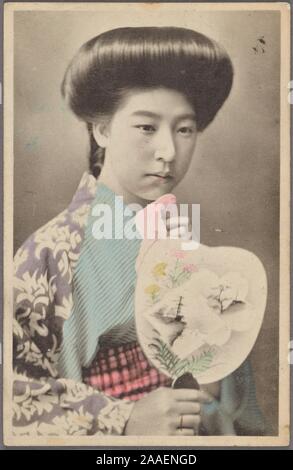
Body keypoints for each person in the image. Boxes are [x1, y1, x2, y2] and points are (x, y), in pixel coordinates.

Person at [13, 26, 269, 436]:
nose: (168, 151)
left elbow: (232, 397)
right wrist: (124, 419)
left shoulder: (182, 240)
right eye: (147, 127)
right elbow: (14, 395)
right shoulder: (51, 254)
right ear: (102, 129)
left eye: (184, 129)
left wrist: (212, 393)